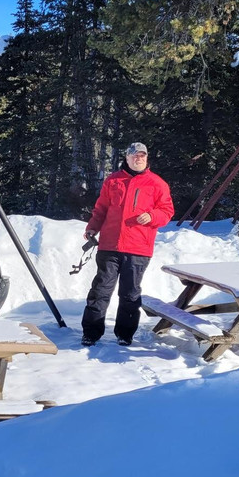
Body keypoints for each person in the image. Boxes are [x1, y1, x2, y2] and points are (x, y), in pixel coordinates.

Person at [81, 142, 175, 346]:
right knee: (100, 290)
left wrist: (151, 216)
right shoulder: (113, 181)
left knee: (130, 293)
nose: (138, 158)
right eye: (134, 155)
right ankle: (91, 332)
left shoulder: (157, 184)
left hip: (138, 248)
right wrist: (92, 228)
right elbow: (101, 209)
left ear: (146, 158)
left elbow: (167, 212)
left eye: (142, 155)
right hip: (109, 246)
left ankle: (125, 334)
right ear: (127, 157)